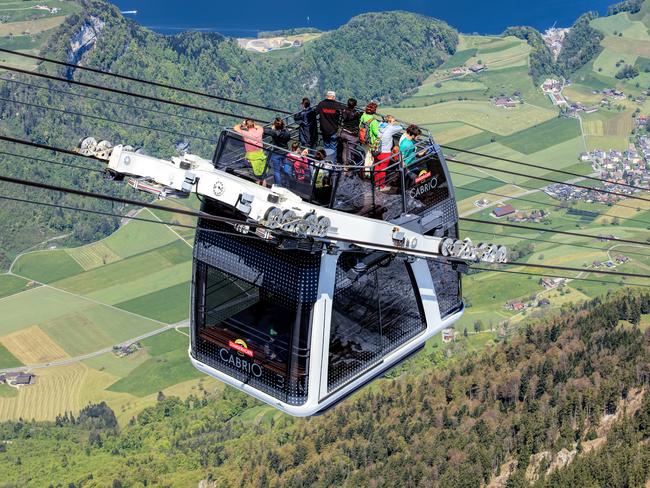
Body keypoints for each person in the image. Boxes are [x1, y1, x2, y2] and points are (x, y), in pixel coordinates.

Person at [373, 115, 402, 192]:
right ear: (389, 121)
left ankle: (376, 185)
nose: (394, 122)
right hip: (385, 152)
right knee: (383, 170)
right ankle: (382, 187)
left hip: (376, 150)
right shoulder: (390, 128)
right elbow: (400, 127)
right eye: (393, 120)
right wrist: (396, 124)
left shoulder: (380, 125)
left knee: (377, 167)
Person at [233, 119, 266, 185]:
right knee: (262, 176)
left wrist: (242, 124)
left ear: (247, 126)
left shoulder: (246, 133)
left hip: (251, 159)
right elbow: (260, 127)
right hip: (261, 156)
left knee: (239, 165)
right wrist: (253, 125)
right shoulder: (259, 131)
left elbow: (235, 127)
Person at [316, 90, 345, 163]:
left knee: (326, 147)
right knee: (333, 148)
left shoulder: (321, 104)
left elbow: (314, 113)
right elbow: (345, 112)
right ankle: (332, 165)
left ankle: (326, 163)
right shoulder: (337, 105)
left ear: (326, 96)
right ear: (334, 97)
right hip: (334, 130)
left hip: (324, 130)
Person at [264, 118, 291, 186]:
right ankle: (287, 183)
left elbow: (264, 130)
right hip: (285, 151)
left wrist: (272, 128)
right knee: (285, 168)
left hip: (276, 153)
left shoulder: (274, 132)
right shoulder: (287, 132)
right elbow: (288, 138)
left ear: (275, 125)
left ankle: (278, 186)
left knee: (276, 171)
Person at [338, 98, 361, 169]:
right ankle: (350, 166)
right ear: (355, 105)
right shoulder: (356, 113)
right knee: (351, 150)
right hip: (352, 135)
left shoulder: (344, 111)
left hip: (344, 132)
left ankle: (345, 165)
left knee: (345, 149)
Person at [359, 102, 380, 174]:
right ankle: (367, 173)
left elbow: (360, 126)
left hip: (363, 139)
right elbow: (377, 133)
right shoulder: (374, 121)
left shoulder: (363, 116)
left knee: (365, 155)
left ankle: (364, 171)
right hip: (370, 142)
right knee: (369, 158)